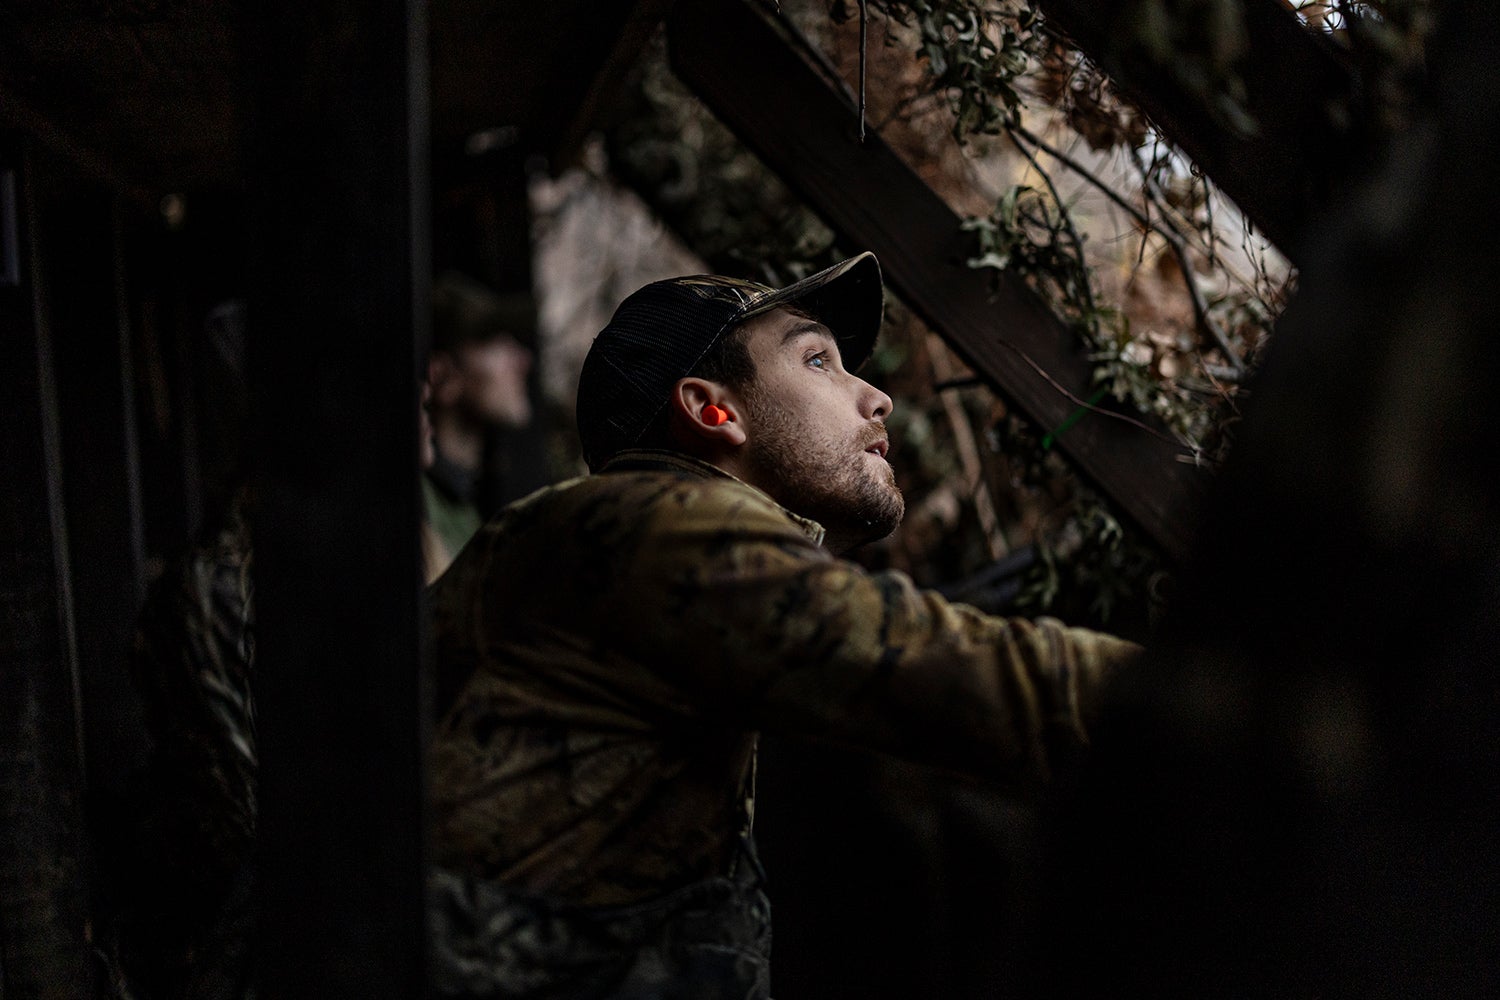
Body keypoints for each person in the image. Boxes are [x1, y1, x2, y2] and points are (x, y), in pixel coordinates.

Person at [425, 252, 1141, 999]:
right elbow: (978, 677)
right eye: (819, 359)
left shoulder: (602, 534)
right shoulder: (663, 528)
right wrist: (1208, 692)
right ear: (714, 410)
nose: (878, 398)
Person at [423, 271, 536, 579]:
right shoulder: (418, 510)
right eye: (494, 342)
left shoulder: (465, 511)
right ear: (443, 374)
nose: (522, 360)